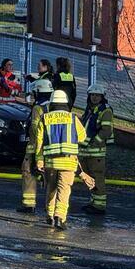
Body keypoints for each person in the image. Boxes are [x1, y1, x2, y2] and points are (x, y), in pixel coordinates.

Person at [34, 90, 87, 230]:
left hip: (50, 162)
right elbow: (82, 137)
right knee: (64, 190)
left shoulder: (45, 118)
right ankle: (59, 217)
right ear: (66, 103)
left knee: (51, 188)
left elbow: (39, 142)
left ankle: (50, 215)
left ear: (52, 103)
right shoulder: (73, 118)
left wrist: (39, 161)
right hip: (68, 161)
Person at [17, 79, 53, 213]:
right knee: (51, 177)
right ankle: (51, 207)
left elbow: (35, 129)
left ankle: (29, 204)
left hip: (35, 147)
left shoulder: (38, 108)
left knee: (28, 172)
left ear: (38, 92)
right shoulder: (54, 106)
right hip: (51, 148)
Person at [79, 84, 114, 215]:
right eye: (92, 95)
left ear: (102, 97)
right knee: (89, 179)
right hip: (86, 151)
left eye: (97, 95)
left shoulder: (105, 111)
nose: (94, 97)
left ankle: (99, 206)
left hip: (96, 152)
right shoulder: (90, 110)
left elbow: (106, 130)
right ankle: (94, 202)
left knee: (97, 178)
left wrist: (95, 142)